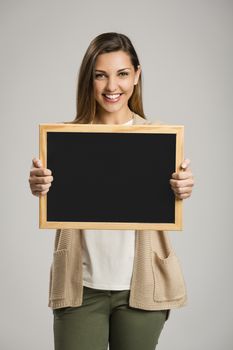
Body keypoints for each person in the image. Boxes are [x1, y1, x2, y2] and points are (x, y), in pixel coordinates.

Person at [29, 32, 194, 350]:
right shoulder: (65, 140)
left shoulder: (159, 139)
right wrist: (40, 184)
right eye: (100, 75)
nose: (111, 87)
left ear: (136, 76)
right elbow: (46, 185)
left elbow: (177, 186)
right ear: (88, 79)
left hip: (141, 289)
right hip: (80, 289)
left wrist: (182, 187)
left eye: (122, 74)